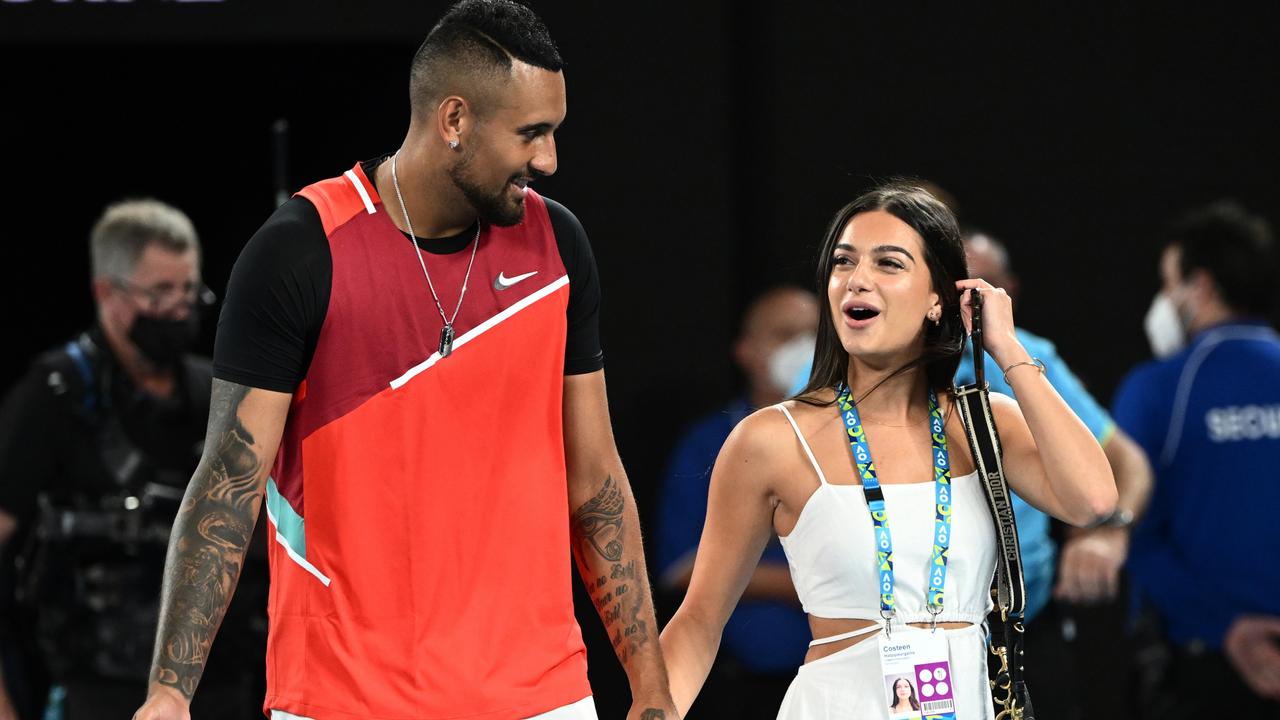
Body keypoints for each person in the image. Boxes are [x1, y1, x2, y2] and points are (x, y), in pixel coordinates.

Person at [131, 3, 677, 720]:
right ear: (454, 120)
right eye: (530, 134)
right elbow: (228, 486)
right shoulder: (300, 250)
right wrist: (170, 694)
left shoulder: (559, 246)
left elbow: (597, 481)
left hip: (541, 697)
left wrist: (651, 686)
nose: (548, 161)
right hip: (342, 698)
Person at [659, 183, 1117, 718]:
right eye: (843, 262)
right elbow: (698, 621)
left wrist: (1006, 349)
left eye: (889, 264)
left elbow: (1092, 499)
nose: (857, 279)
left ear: (938, 297)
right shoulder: (771, 439)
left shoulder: (985, 421)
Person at [0, 200, 265, 720]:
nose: (180, 307)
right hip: (100, 688)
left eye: (189, 290)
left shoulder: (214, 390)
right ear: (107, 293)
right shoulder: (54, 396)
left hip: (227, 681)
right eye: (160, 292)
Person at [957, 230, 1153, 714]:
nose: (965, 293)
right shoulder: (845, 370)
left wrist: (1111, 532)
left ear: (1006, 294)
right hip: (905, 631)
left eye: (979, 285)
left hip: (1023, 624)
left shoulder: (1023, 355)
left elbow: (1122, 467)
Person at [1113, 200, 1280, 716]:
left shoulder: (1161, 387)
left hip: (1203, 666)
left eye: (1169, 284)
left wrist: (1223, 627)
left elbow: (1129, 527)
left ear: (1200, 286)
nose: (1165, 301)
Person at [656, 286, 816, 718]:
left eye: (816, 334)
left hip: (832, 682)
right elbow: (681, 571)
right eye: (786, 335)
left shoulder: (853, 441)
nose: (805, 347)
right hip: (734, 686)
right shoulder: (710, 443)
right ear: (746, 351)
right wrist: (815, 586)